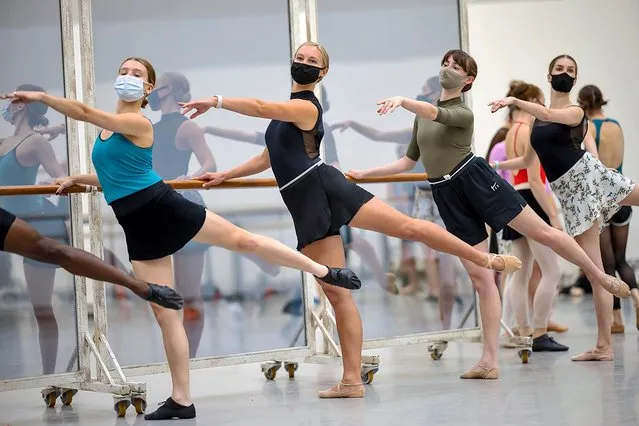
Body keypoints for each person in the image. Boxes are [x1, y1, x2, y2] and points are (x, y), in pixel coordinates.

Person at [1, 56, 362, 420]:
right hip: (137, 226)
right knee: (165, 312)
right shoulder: (107, 133)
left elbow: (81, 111)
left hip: (163, 207)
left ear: (147, 90)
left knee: (243, 241)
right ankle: (182, 399)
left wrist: (42, 98)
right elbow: (118, 178)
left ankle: (323, 271)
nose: (127, 76)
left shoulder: (136, 122)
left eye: (137, 74)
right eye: (124, 71)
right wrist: (80, 178)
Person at [180, 42, 522, 395]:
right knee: (336, 292)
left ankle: (483, 257)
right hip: (304, 203)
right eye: (300, 58)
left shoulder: (305, 107)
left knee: (407, 227)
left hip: (323, 184)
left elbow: (261, 106)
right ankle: (351, 380)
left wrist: (217, 100)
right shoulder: (285, 118)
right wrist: (226, 176)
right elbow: (270, 157)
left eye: (313, 61)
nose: (304, 63)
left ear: (322, 72)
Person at [348, 49, 629, 378]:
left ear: (468, 80)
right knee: (481, 278)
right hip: (445, 192)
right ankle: (489, 361)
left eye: (457, 67)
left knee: (543, 233)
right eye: (446, 64)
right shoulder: (421, 118)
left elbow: (434, 112)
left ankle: (598, 276)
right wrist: (367, 174)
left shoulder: (460, 112)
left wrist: (403, 100)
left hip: (475, 179)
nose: (448, 69)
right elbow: (409, 163)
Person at [488, 54, 638, 362]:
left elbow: (545, 110)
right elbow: (529, 162)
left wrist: (515, 99)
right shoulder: (536, 123)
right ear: (549, 75)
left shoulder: (574, 111)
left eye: (570, 70)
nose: (564, 73)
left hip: (587, 178)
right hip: (570, 195)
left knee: (597, 268)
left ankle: (603, 345)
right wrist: (496, 164)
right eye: (559, 69)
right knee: (596, 271)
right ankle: (603, 346)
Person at [499, 81, 567, 351]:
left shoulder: (510, 132)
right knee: (552, 270)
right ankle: (539, 332)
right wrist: (553, 215)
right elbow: (536, 181)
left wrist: (499, 165)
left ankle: (524, 327)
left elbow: (521, 166)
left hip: (515, 198)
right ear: (531, 101)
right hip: (532, 199)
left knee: (521, 270)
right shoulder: (530, 131)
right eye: (540, 101)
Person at [578, 84, 639, 333]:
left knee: (607, 263)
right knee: (623, 259)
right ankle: (636, 295)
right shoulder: (616, 126)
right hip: (622, 194)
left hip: (601, 199)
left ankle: (616, 319)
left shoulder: (587, 129)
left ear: (582, 104)